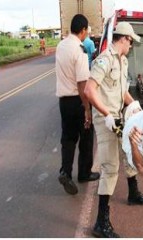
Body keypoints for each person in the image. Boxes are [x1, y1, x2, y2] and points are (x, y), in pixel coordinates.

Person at [84, 22, 143, 238]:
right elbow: (89, 90)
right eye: (131, 42)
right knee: (111, 167)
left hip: (118, 117)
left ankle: (133, 193)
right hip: (105, 121)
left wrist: (135, 105)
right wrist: (106, 114)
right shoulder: (104, 59)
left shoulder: (122, 61)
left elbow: (121, 93)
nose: (131, 46)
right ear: (124, 39)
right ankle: (101, 223)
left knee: (128, 153)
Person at [55, 14, 99, 195]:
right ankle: (84, 173)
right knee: (87, 137)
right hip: (77, 101)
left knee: (68, 138)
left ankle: (65, 171)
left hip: (63, 101)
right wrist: (87, 108)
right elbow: (82, 84)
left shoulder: (61, 45)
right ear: (83, 30)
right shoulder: (80, 50)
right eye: (87, 30)